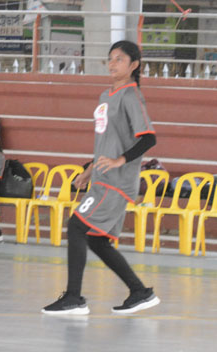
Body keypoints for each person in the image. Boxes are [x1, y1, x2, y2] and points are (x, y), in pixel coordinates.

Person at [42, 41, 159, 316]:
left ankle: (73, 298)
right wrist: (90, 170)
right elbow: (108, 140)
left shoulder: (131, 95)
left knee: (76, 227)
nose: (112, 63)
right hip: (102, 178)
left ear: (134, 65)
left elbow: (149, 138)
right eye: (110, 58)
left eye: (120, 59)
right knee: (96, 239)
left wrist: (120, 161)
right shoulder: (106, 95)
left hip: (116, 182)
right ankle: (139, 291)